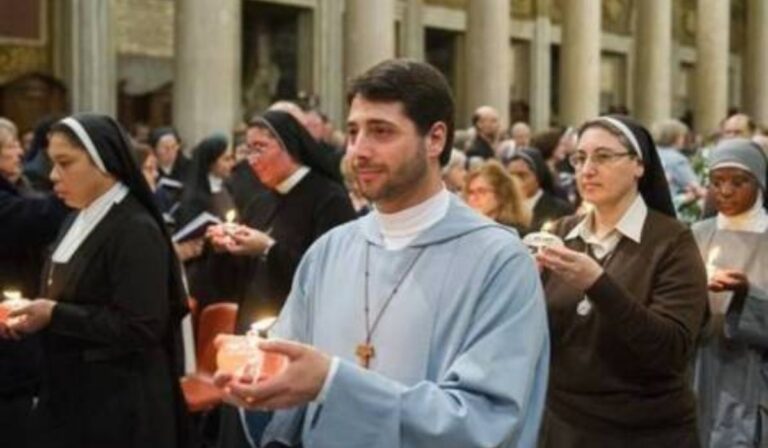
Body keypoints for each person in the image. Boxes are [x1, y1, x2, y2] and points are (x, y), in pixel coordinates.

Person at [215, 59, 549, 448]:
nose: (359, 150)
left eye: (381, 132)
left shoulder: (500, 262)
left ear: (435, 140)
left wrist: (333, 382)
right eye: (354, 131)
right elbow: (288, 399)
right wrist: (254, 378)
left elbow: (484, 422)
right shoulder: (329, 251)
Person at [0, 114, 189, 448]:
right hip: (71, 395)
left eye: (65, 163)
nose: (52, 175)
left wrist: (53, 314)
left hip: (118, 404)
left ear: (103, 162)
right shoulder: (76, 216)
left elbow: (142, 325)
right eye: (51, 162)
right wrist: (31, 313)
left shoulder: (134, 228)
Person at [536, 115, 708, 447]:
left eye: (603, 156)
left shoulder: (673, 242)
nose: (587, 169)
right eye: (579, 158)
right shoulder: (558, 235)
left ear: (639, 166)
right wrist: (520, 290)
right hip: (562, 427)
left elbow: (670, 351)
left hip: (645, 431)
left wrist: (598, 284)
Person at [210, 110, 356, 448]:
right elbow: (241, 278)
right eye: (247, 149)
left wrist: (268, 249)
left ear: (289, 146)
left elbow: (332, 276)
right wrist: (226, 247)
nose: (251, 159)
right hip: (253, 335)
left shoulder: (328, 197)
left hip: (300, 341)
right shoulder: (262, 200)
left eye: (260, 148)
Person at [692, 138, 768, 447]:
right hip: (703, 363)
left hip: (757, 368)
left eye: (739, 182)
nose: (725, 191)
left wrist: (746, 295)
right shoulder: (697, 234)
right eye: (716, 182)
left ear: (760, 182)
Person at [0, 120, 68, 448]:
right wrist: (69, 193)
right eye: (10, 146)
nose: (19, 152)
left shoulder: (19, 185)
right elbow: (29, 218)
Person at [507, 148, 573, 232]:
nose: (515, 181)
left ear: (538, 176)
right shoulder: (503, 209)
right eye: (511, 176)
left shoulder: (561, 210)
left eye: (522, 175)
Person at [464, 160, 531, 234]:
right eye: (471, 192)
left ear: (500, 195)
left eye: (481, 191)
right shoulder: (464, 230)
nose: (474, 198)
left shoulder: (516, 233)